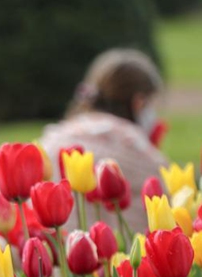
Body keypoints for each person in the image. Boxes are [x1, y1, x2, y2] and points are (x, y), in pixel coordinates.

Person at [39, 48, 168, 233]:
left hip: (54, 256)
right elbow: (164, 220)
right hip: (124, 256)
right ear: (139, 102)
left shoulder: (51, 140)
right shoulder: (138, 150)